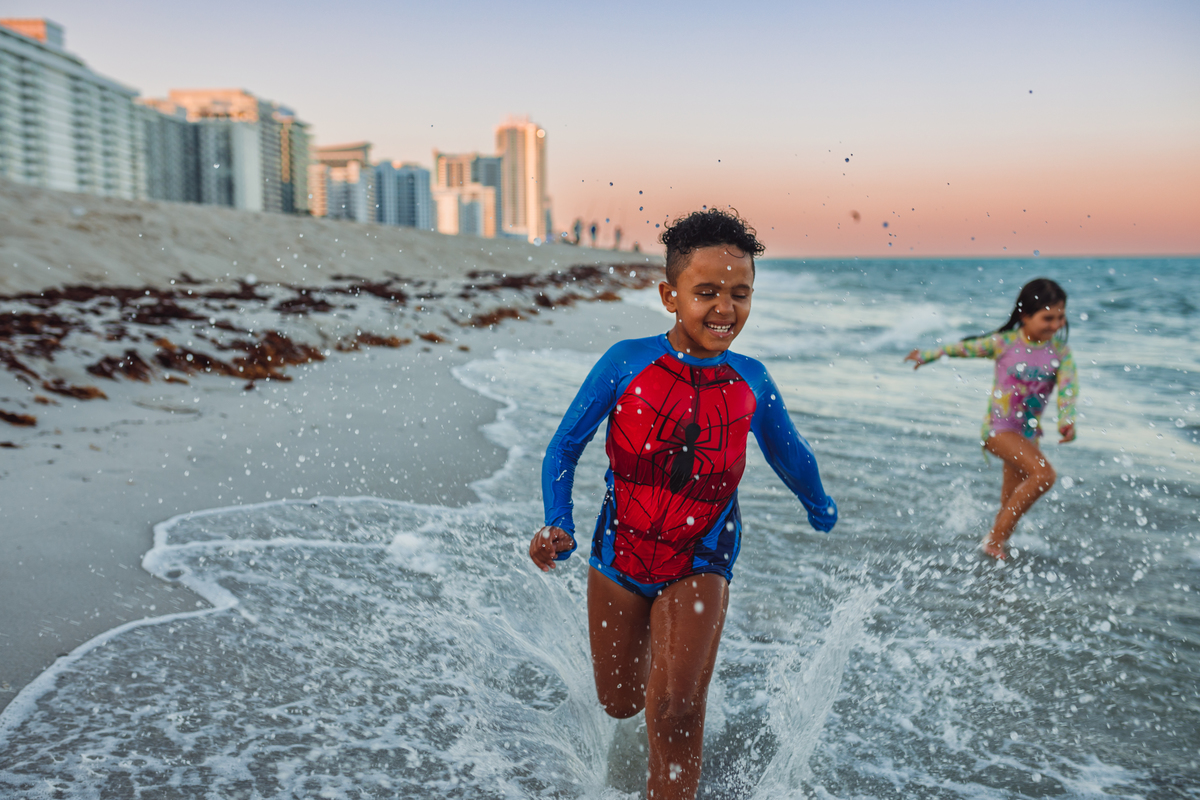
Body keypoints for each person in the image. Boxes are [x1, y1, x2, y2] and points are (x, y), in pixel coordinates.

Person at [528, 209, 838, 799]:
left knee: (675, 713)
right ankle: (668, 668)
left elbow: (789, 453)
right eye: (707, 293)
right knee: (620, 702)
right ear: (670, 295)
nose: (725, 309)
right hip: (619, 551)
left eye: (740, 294)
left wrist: (817, 502)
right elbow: (565, 444)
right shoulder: (626, 362)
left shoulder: (752, 381)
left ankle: (679, 695)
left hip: (703, 555)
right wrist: (558, 523)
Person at [905, 278, 1078, 560]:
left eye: (1061, 317)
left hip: (1029, 434)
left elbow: (1069, 389)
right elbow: (963, 349)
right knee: (1044, 475)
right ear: (1025, 315)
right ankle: (995, 542)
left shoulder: (1060, 353)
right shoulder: (1004, 343)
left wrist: (1067, 419)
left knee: (1010, 499)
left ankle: (993, 549)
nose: (1056, 325)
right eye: (1048, 318)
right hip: (999, 430)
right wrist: (928, 354)